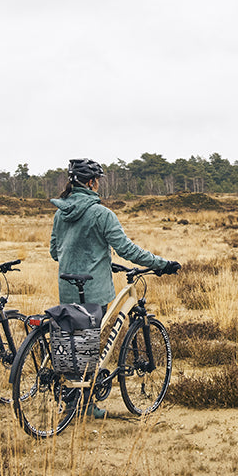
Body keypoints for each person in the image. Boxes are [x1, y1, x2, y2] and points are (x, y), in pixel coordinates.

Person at [49, 158, 180, 417]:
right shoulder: (101, 214)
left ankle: (72, 403)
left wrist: (80, 256)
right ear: (91, 182)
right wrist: (161, 263)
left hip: (67, 287)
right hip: (94, 290)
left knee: (74, 343)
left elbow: (55, 252)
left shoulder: (60, 213)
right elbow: (127, 249)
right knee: (89, 345)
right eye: (97, 180)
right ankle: (85, 407)